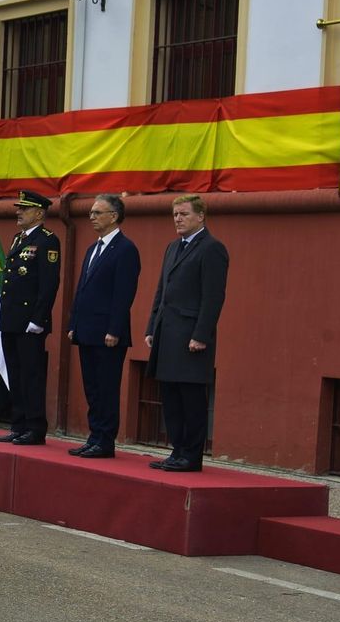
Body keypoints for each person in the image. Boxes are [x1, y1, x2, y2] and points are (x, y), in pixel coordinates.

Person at [144, 194, 228, 473]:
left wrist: (201, 334)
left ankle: (191, 456)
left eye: (184, 214)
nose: (178, 219)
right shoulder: (172, 247)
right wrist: (152, 326)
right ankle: (177, 450)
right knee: (170, 396)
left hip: (191, 337)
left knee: (191, 398)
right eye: (175, 214)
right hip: (167, 334)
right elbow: (162, 291)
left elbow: (213, 297)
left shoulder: (212, 249)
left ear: (201, 216)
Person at [66, 194, 141, 459]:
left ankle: (105, 440)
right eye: (91, 212)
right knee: (92, 388)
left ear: (114, 216)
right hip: (87, 330)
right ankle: (94, 435)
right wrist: (73, 322)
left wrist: (114, 329)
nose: (92, 217)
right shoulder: (92, 248)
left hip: (108, 334)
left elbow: (124, 294)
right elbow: (82, 289)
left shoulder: (125, 249)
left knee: (106, 388)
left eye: (98, 212)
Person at [0, 190, 61, 446]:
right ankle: (19, 423)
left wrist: (39, 318)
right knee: (15, 373)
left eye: (24, 208)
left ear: (39, 213)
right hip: (11, 317)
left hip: (30, 322)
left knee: (31, 375)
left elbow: (48, 284)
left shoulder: (47, 241)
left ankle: (35, 427)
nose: (18, 212)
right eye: (18, 208)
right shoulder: (17, 239)